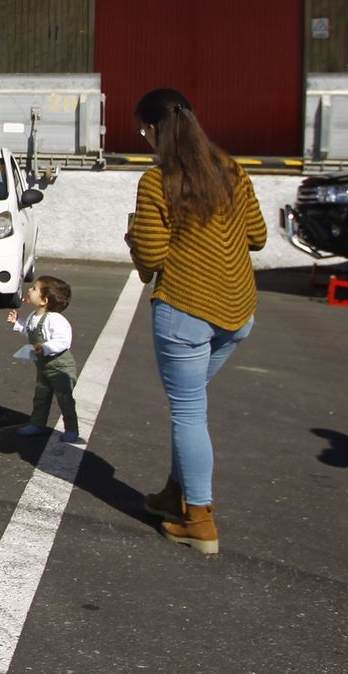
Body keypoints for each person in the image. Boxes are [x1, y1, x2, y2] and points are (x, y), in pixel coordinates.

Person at [126, 88, 265, 556]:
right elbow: (258, 237)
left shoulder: (156, 181)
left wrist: (133, 236)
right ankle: (174, 492)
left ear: (155, 129)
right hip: (238, 313)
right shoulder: (232, 170)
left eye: (143, 130)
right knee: (191, 408)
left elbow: (151, 254)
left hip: (185, 311)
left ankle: (199, 518)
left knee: (188, 412)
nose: (144, 139)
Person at [6, 275, 81, 443]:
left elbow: (63, 341)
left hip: (60, 367)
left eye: (33, 289)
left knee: (64, 398)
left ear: (44, 300)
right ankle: (37, 423)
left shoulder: (55, 319)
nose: (29, 290)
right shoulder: (33, 316)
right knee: (41, 396)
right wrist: (18, 323)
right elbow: (30, 332)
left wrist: (44, 348)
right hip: (43, 367)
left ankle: (72, 429)